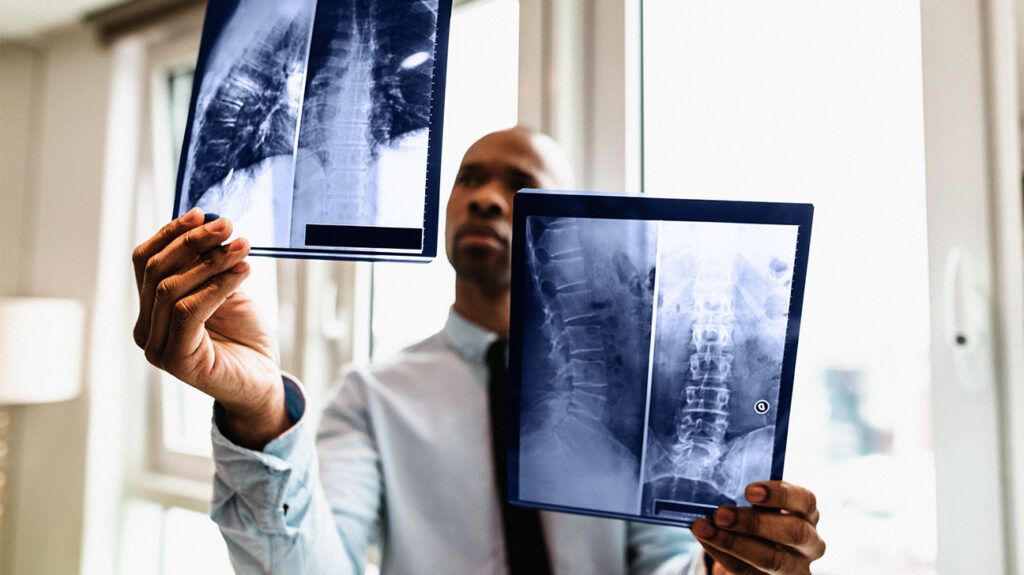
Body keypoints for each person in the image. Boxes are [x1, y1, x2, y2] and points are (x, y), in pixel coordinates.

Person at [131, 127, 826, 574]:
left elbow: (665, 565)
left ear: (571, 230)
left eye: (522, 186)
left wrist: (731, 563)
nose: (489, 198)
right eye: (471, 177)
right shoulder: (371, 396)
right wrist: (256, 409)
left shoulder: (633, 401)